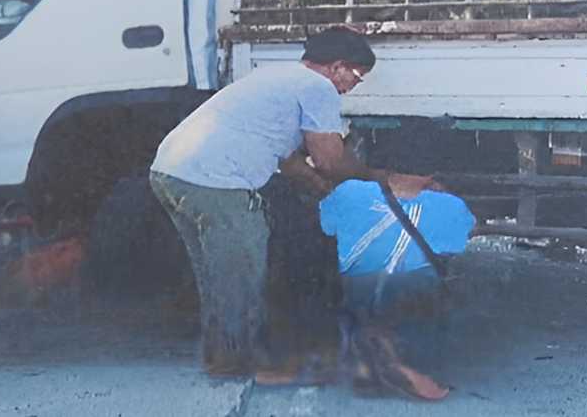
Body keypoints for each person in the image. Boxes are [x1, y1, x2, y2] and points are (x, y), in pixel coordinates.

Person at [149, 27, 436, 377]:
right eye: (357, 77)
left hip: (171, 172)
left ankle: (224, 352)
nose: (353, 87)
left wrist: (321, 189)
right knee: (241, 268)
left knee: (217, 271)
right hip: (216, 182)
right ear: (337, 67)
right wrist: (381, 179)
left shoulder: (278, 78)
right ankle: (232, 361)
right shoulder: (318, 88)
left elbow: (289, 161)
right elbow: (331, 160)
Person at [320, 179, 475, 400]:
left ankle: (364, 362)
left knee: (352, 289)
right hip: (411, 292)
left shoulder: (349, 191)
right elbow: (460, 241)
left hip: (358, 288)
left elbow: (326, 226)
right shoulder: (451, 205)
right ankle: (403, 359)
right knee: (429, 284)